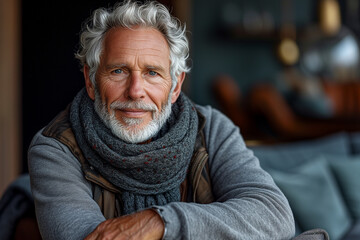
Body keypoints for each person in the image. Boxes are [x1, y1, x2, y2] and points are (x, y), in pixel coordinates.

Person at [28, 1, 295, 239]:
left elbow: (275, 216)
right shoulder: (55, 149)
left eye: (152, 73)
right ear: (90, 80)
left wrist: (161, 222)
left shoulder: (212, 129)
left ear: (176, 86)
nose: (135, 91)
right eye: (119, 70)